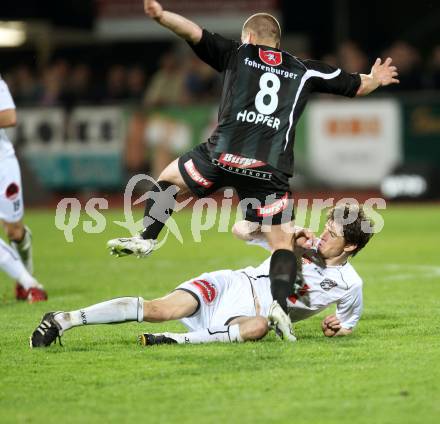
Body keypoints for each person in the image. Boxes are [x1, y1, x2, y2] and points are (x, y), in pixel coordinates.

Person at [108, 0, 397, 312]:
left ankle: (147, 236)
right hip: (269, 168)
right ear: (278, 42)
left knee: (169, 179)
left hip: (222, 156)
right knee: (281, 242)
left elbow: (193, 32)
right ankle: (280, 310)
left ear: (248, 37)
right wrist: (376, 78)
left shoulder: (238, 53)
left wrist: (162, 16)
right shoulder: (304, 69)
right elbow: (358, 86)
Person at [30, 204, 372, 348]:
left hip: (247, 316)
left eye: (333, 234)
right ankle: (65, 319)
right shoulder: (298, 241)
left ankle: (172, 340)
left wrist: (335, 328)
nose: (323, 236)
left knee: (259, 327)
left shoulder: (350, 285)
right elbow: (240, 230)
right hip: (232, 284)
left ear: (351, 246)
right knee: (159, 308)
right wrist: (281, 232)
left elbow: (345, 324)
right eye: (326, 227)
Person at [0, 75, 47, 302]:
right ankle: (29, 283)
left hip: (2, 164)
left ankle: (25, 276)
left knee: (14, 232)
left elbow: (9, 117)